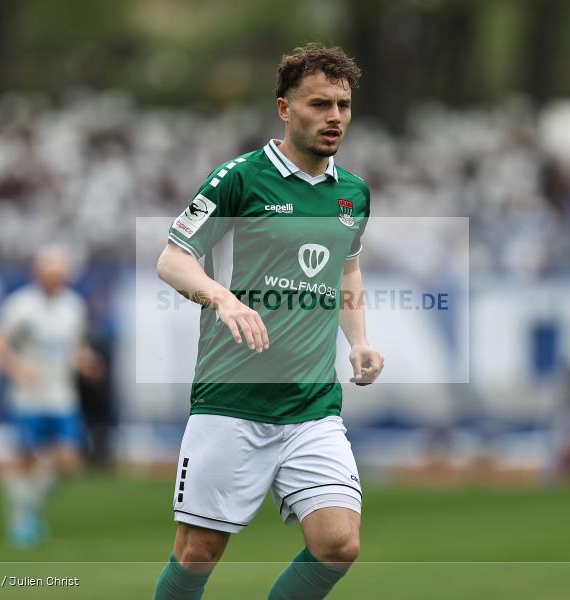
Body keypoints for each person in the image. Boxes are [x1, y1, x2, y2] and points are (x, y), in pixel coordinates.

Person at [153, 44, 385, 599]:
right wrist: (223, 300)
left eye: (344, 106)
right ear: (285, 109)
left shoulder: (352, 193)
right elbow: (172, 259)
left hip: (311, 404)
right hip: (233, 399)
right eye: (320, 104)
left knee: (338, 544)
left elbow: (346, 268)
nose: (335, 117)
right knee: (197, 553)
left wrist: (359, 341)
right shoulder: (240, 179)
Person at [0, 245, 101, 548]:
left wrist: (85, 361)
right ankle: (21, 518)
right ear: (39, 273)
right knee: (25, 458)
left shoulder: (73, 306)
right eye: (52, 273)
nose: (57, 279)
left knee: (69, 462)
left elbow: (73, 348)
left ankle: (29, 507)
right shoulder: (20, 306)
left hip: (62, 396)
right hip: (28, 397)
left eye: (61, 274)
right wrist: (16, 369)